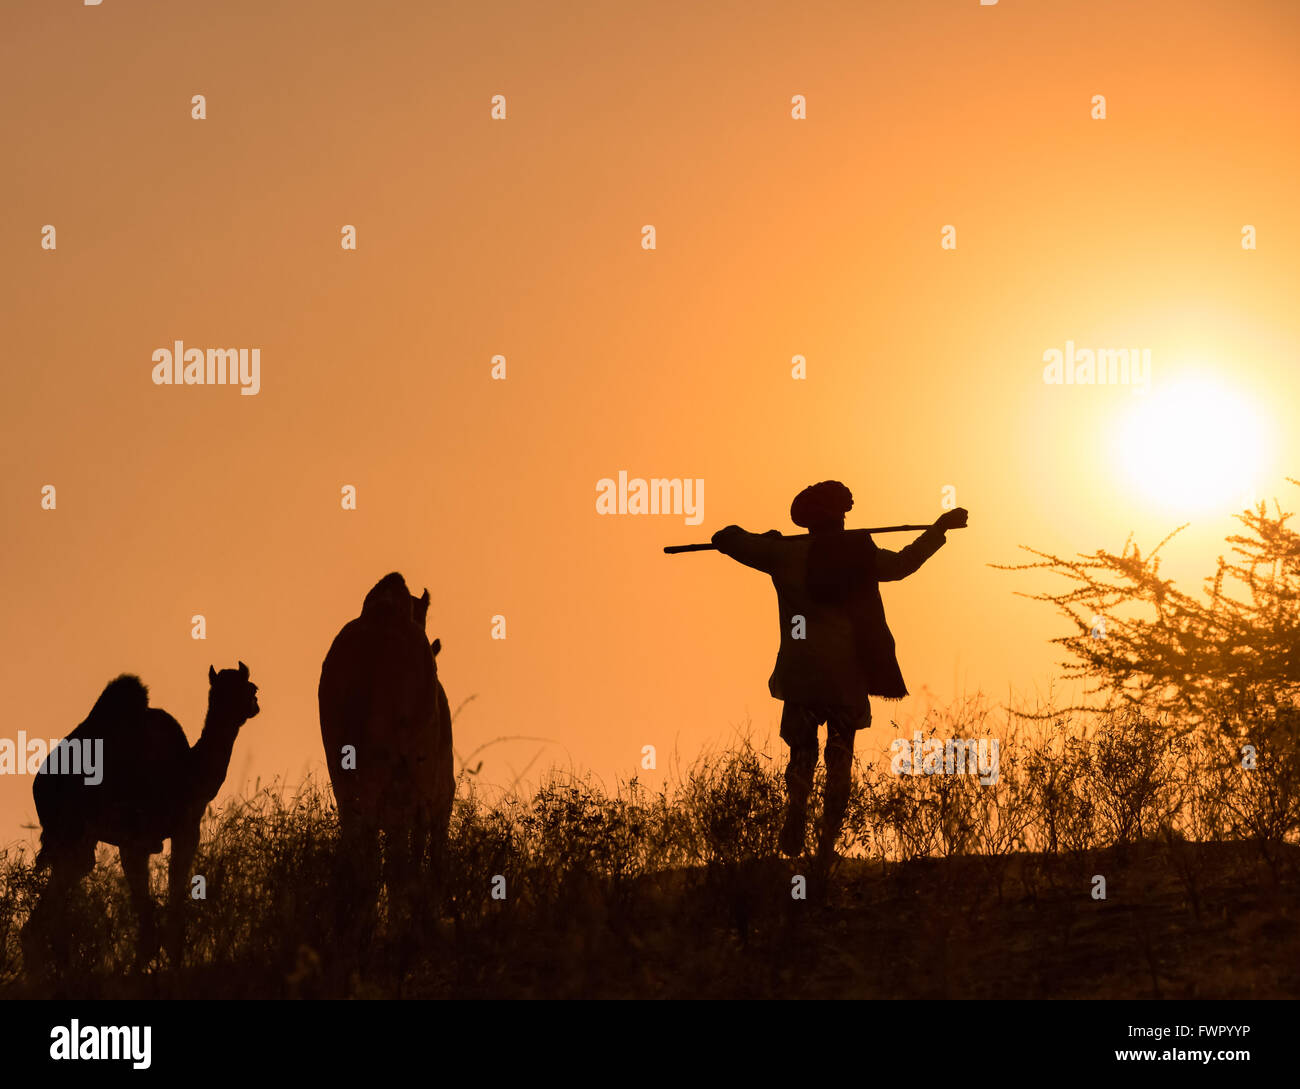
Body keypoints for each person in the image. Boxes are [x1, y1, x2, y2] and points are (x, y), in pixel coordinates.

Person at [711, 481, 967, 859]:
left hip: (801, 676)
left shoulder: (782, 554)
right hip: (846, 678)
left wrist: (770, 539)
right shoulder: (856, 553)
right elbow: (900, 565)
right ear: (836, 517)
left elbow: (725, 537)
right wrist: (937, 530)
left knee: (801, 754)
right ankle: (826, 843)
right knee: (840, 758)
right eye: (843, 514)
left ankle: (795, 818)